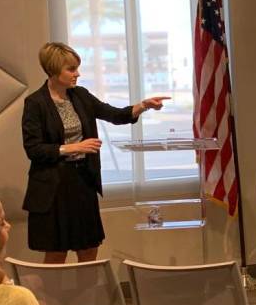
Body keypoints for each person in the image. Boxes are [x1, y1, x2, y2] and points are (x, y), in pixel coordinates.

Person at [22, 42, 169, 264]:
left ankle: (90, 298)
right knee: (56, 253)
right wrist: (71, 147)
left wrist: (144, 105)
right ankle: (50, 300)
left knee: (89, 248)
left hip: (82, 181)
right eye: (71, 69)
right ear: (53, 70)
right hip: (53, 187)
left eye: (77, 68)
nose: (77, 74)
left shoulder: (80, 95)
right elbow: (33, 149)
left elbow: (115, 114)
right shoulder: (35, 103)